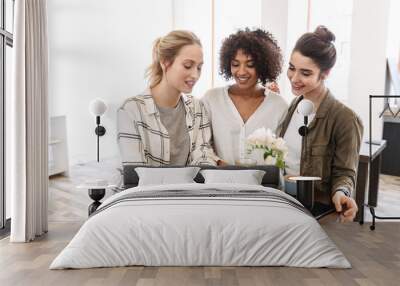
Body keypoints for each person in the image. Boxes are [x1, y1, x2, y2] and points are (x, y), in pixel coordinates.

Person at [277, 26, 363, 222]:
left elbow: (346, 172)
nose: (294, 78)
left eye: (305, 73)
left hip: (316, 211)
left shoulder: (346, 119)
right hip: (285, 205)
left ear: (325, 73)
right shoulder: (294, 105)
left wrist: (341, 193)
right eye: (291, 68)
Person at [117, 30, 218, 166]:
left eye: (199, 68)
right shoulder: (131, 110)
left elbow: (204, 156)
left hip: (191, 188)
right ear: (165, 62)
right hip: (147, 188)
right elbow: (135, 172)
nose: (195, 75)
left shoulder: (197, 108)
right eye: (187, 66)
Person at [201, 28, 288, 165]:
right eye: (235, 64)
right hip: (220, 182)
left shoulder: (279, 105)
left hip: (263, 185)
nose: (241, 72)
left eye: (250, 65)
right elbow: (201, 145)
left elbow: (283, 155)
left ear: (262, 65)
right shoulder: (212, 99)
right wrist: (218, 163)